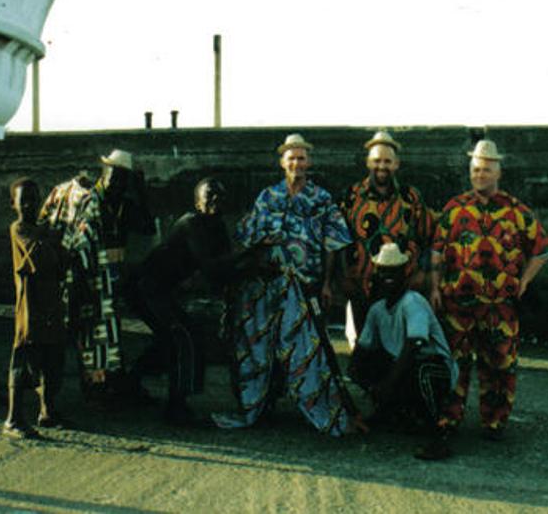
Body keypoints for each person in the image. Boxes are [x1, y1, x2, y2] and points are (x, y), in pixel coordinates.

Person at [213, 133, 364, 436]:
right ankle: (259, 405)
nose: (297, 163)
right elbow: (248, 238)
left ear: (310, 162)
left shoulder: (321, 199)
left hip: (305, 284)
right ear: (282, 162)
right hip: (266, 286)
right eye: (291, 158)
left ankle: (322, 411)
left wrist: (326, 283)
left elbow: (333, 243)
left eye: (302, 157)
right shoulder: (267, 197)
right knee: (259, 347)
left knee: (309, 349)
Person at [430, 139, 548, 440]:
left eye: (486, 170)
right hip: (458, 303)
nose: (479, 175)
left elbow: (543, 249)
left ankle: (494, 423)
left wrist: (524, 281)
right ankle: (450, 420)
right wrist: (434, 287)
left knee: (500, 365)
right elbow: (436, 250)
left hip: (501, 306)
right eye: (475, 170)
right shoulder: (455, 208)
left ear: (498, 172)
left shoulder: (515, 210)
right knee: (454, 365)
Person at [127, 178, 267, 425]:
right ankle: (175, 405)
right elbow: (212, 267)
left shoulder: (216, 226)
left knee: (170, 338)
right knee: (185, 336)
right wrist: (251, 254)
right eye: (209, 196)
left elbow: (220, 274)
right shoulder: (191, 223)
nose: (215, 201)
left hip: (160, 289)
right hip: (145, 287)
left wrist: (253, 268)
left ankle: (130, 384)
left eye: (219, 197)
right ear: (197, 201)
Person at [39, 149, 154, 400]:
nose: (116, 184)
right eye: (113, 177)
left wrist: (142, 190)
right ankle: (91, 387)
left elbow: (146, 226)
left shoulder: (125, 204)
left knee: (109, 332)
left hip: (113, 276)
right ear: (104, 173)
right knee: (88, 329)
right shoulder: (90, 201)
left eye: (123, 180)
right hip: (88, 273)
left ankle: (107, 383)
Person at [349, 243, 458, 460]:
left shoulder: (412, 302)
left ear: (403, 274)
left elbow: (414, 345)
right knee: (363, 365)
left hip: (432, 365)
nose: (387, 277)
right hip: (402, 366)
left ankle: (437, 436)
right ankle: (390, 412)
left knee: (421, 372)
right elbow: (362, 351)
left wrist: (388, 384)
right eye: (383, 271)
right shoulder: (377, 309)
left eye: (393, 272)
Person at [340, 130, 434, 343]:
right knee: (365, 346)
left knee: (399, 346)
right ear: (367, 162)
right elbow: (338, 241)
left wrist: (422, 272)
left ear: (396, 164)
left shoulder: (411, 197)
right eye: (376, 161)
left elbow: (428, 236)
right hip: (362, 286)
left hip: (402, 286)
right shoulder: (351, 196)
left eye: (387, 161)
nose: (381, 166)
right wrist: (344, 276)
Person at [3, 178, 67, 439]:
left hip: (50, 301)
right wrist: (52, 238)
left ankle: (47, 410)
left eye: (33, 198)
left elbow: (61, 259)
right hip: (29, 305)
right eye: (23, 200)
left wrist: (53, 241)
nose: (29, 204)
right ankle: (13, 419)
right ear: (13, 204)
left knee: (52, 357)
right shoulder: (19, 228)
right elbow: (39, 258)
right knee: (23, 358)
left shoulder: (41, 229)